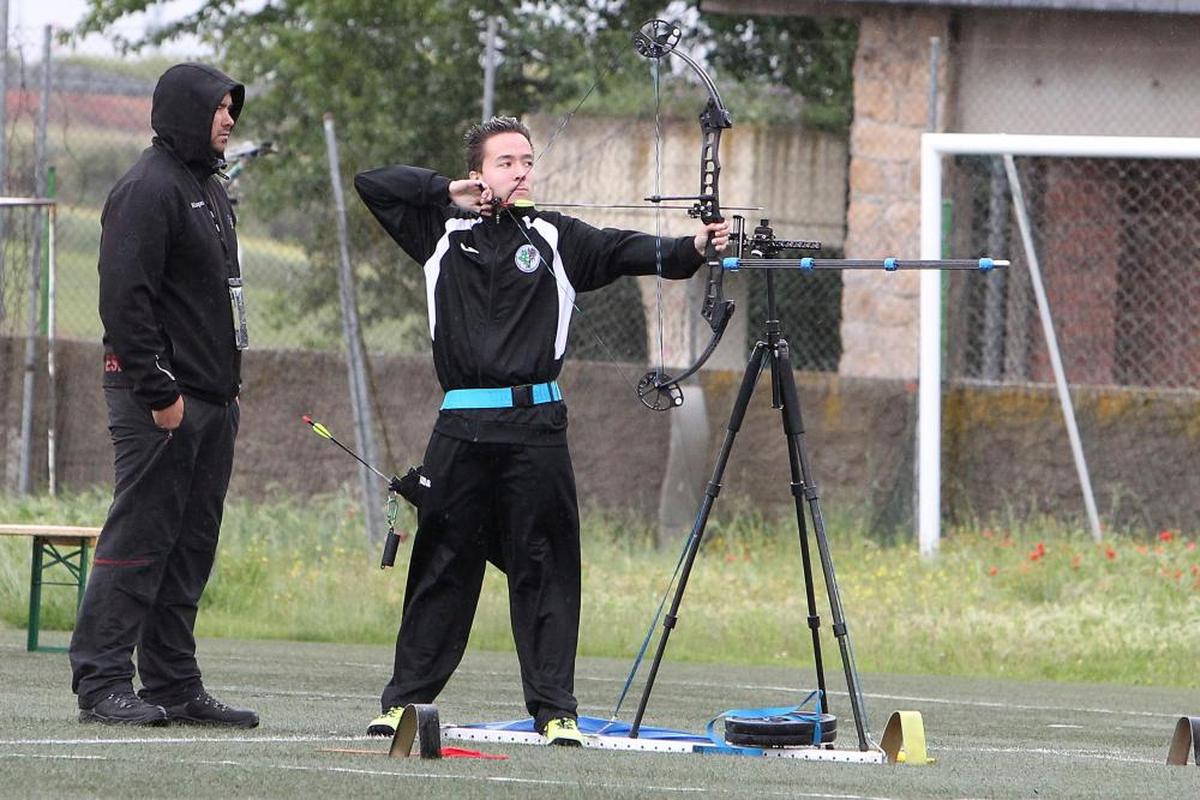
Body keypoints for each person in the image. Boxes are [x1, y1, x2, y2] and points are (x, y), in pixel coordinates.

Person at [354, 116, 729, 745]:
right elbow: (375, 184)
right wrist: (449, 192)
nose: (522, 170)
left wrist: (693, 247)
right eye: (506, 161)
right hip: (463, 426)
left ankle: (555, 709)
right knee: (443, 564)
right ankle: (404, 703)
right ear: (479, 173)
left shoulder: (557, 237)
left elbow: (628, 248)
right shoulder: (439, 231)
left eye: (527, 160)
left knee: (546, 566)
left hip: (537, 428)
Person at [68, 63, 257, 728]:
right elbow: (125, 298)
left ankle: (174, 682)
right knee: (141, 538)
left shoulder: (207, 187)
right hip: (161, 401)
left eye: (233, 108)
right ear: (185, 110)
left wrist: (225, 394)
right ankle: (102, 682)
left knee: (190, 543)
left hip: (213, 400)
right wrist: (159, 392)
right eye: (219, 108)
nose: (230, 119)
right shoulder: (147, 188)